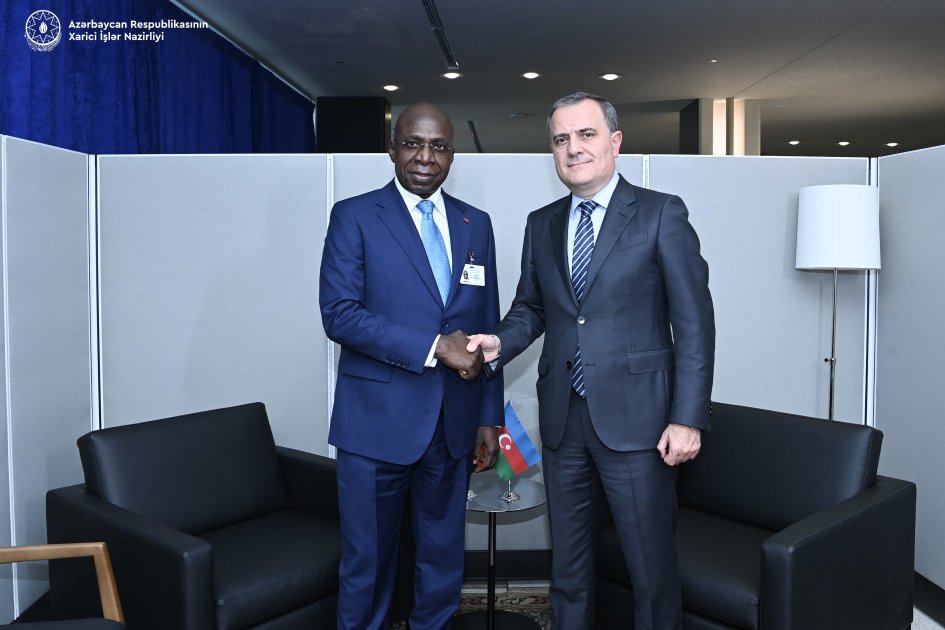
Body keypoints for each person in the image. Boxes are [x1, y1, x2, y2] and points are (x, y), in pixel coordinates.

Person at [468, 92, 715, 629]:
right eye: (561, 139)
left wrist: (688, 417)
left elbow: (695, 322)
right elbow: (533, 308)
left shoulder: (660, 213)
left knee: (650, 569)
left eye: (586, 134)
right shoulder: (542, 223)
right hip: (564, 420)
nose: (573, 148)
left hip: (641, 423)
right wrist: (499, 344)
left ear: (615, 141)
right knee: (569, 567)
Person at [319, 102, 503, 630]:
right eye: (413, 144)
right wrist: (436, 346)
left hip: (452, 425)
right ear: (392, 148)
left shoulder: (475, 223)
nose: (426, 157)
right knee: (369, 566)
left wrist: (489, 417)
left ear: (452, 154)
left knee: (442, 563)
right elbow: (340, 314)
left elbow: (486, 325)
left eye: (439, 146)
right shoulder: (355, 216)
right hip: (375, 424)